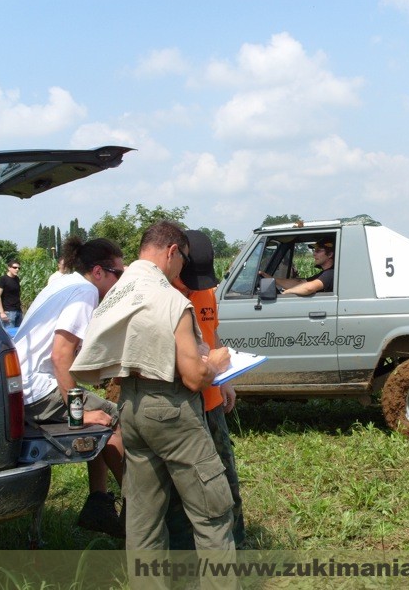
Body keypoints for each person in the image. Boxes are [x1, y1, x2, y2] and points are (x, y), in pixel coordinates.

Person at [69, 221, 237, 575]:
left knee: (144, 520)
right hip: (171, 408)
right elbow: (193, 377)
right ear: (172, 251)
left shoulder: (118, 289)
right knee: (213, 512)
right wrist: (217, 363)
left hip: (131, 405)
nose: (182, 271)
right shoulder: (170, 299)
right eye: (182, 260)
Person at [13, 237, 126, 537]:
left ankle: (99, 504)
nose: (121, 281)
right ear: (99, 272)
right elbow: (60, 356)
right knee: (115, 420)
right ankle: (138, 506)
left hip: (20, 386)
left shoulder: (62, 284)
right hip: (36, 389)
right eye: (120, 274)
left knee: (99, 413)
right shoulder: (86, 292)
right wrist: (79, 415)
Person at [165, 230, 245, 551]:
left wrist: (225, 380)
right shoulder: (164, 297)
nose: (195, 288)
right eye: (189, 281)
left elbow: (214, 336)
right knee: (186, 487)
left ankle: (237, 546)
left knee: (228, 478)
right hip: (184, 407)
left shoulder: (206, 292)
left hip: (211, 403)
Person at [260, 239, 335, 295]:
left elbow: (309, 288)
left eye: (318, 251)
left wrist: (288, 291)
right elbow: (299, 283)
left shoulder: (331, 273)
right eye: (314, 251)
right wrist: (271, 279)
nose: (314, 254)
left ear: (330, 254)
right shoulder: (323, 273)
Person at [0, 259, 22, 328]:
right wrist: (2, 312)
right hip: (8, 312)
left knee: (19, 335)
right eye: (15, 267)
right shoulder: (3, 279)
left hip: (18, 311)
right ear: (9, 268)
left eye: (19, 268)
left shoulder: (17, 279)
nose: (17, 269)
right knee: (10, 335)